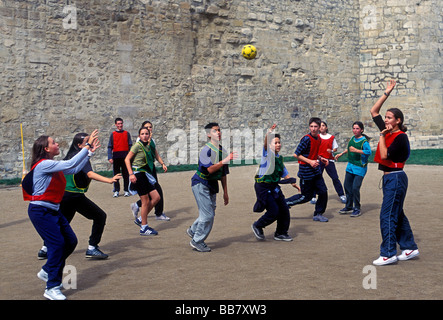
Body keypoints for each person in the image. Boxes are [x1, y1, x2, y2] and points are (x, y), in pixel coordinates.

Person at [22, 130, 99, 300]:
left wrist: (89, 154)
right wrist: (86, 146)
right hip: (41, 211)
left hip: (53, 210)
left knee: (71, 241)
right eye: (54, 143)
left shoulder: (52, 164)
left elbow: (73, 168)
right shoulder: (43, 165)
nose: (57, 144)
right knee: (57, 245)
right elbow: (71, 162)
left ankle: (48, 270)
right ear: (46, 148)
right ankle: (51, 287)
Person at [37, 133, 122, 261]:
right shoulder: (72, 158)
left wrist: (89, 153)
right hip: (73, 195)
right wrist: (109, 180)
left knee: (62, 223)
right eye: (88, 141)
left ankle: (45, 249)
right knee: (100, 216)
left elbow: (76, 166)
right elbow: (89, 173)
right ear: (79, 145)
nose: (91, 142)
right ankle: (92, 247)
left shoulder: (73, 155)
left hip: (66, 195)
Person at [370, 80, 419, 266]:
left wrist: (381, 135)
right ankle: (410, 247)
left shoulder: (399, 137)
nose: (386, 119)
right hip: (390, 178)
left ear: (398, 121)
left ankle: (389, 253)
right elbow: (374, 112)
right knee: (396, 213)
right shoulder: (388, 132)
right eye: (387, 117)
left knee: (387, 215)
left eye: (390, 117)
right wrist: (386, 93)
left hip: (396, 177)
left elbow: (384, 154)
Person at [186, 122, 237, 252]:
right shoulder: (206, 150)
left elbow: (223, 174)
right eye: (215, 131)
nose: (218, 132)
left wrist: (226, 192)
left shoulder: (222, 150)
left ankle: (193, 230)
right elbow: (210, 170)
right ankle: (197, 240)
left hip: (212, 186)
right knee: (208, 215)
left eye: (219, 130)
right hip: (200, 183)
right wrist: (225, 160)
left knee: (209, 212)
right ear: (209, 135)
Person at [251, 124, 300, 241]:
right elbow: (265, 144)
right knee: (274, 211)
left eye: (279, 142)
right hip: (263, 187)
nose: (278, 145)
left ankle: (280, 233)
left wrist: (292, 183)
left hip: (274, 187)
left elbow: (283, 171)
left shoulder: (279, 158)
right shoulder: (267, 154)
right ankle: (258, 225)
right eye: (275, 142)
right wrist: (270, 132)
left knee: (284, 209)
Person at [285, 117, 330, 222]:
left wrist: (321, 158)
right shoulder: (306, 139)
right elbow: (296, 154)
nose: (313, 129)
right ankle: (284, 203)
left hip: (316, 171)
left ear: (319, 127)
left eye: (315, 127)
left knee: (323, 192)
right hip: (306, 173)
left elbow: (313, 153)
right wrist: (310, 161)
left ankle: (318, 214)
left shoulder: (318, 139)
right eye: (311, 126)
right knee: (305, 197)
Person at [130, 121, 170, 222]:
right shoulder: (140, 142)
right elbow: (130, 158)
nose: (149, 129)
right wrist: (131, 173)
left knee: (153, 194)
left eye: (150, 127)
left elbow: (155, 153)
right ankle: (156, 214)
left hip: (150, 169)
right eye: (146, 128)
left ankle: (139, 207)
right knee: (156, 193)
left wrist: (162, 163)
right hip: (143, 171)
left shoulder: (152, 141)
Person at [125, 127, 161, 236]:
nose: (145, 135)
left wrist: (162, 163)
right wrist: (131, 174)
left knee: (156, 198)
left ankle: (141, 219)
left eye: (147, 133)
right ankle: (144, 228)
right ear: (139, 136)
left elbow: (154, 155)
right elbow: (126, 159)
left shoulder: (148, 146)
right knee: (145, 201)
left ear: (149, 135)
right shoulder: (137, 146)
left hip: (144, 174)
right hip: (138, 175)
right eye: (142, 134)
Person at [334, 121, 371, 217]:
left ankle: (357, 208)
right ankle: (349, 206)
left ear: (362, 130)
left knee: (355, 188)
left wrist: (357, 150)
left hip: (360, 168)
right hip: (350, 166)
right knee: (347, 186)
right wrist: (341, 153)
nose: (355, 130)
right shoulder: (352, 138)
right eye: (354, 128)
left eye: (357, 128)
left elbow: (368, 152)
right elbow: (349, 149)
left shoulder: (364, 142)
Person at [310, 121, 346, 204]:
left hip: (329, 160)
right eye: (320, 126)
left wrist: (331, 150)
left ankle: (341, 195)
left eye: (323, 125)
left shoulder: (331, 137)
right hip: (319, 161)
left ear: (326, 127)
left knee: (335, 178)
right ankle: (313, 196)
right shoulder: (317, 137)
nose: (322, 127)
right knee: (317, 178)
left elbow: (335, 148)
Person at [107, 117, 132, 197]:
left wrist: (130, 156)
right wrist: (110, 157)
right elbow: (110, 146)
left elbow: (130, 145)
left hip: (125, 157)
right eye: (118, 124)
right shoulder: (113, 134)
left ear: (122, 124)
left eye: (121, 123)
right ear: (115, 125)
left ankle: (126, 190)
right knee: (116, 175)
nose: (120, 125)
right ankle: (116, 190)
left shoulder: (127, 133)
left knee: (126, 175)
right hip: (116, 157)